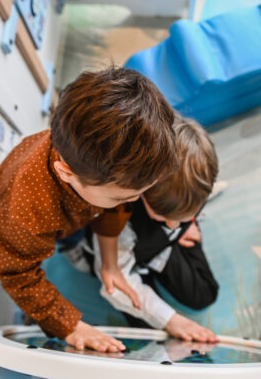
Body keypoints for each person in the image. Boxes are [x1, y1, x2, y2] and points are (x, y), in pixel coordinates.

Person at [0, 67, 178, 353]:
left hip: (83, 206)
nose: (136, 201)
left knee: (99, 213)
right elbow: (17, 274)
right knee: (71, 241)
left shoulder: (100, 171)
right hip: (58, 222)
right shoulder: (27, 215)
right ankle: (72, 245)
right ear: (66, 173)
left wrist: (110, 262)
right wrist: (69, 326)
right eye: (124, 197)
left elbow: (115, 202)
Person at [76, 115, 219, 342]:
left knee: (204, 295)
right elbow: (114, 276)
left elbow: (190, 199)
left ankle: (178, 226)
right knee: (148, 330)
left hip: (161, 248)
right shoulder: (120, 210)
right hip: (130, 253)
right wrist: (171, 320)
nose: (172, 225)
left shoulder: (193, 195)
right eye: (164, 217)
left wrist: (186, 225)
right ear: (143, 187)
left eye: (183, 217)